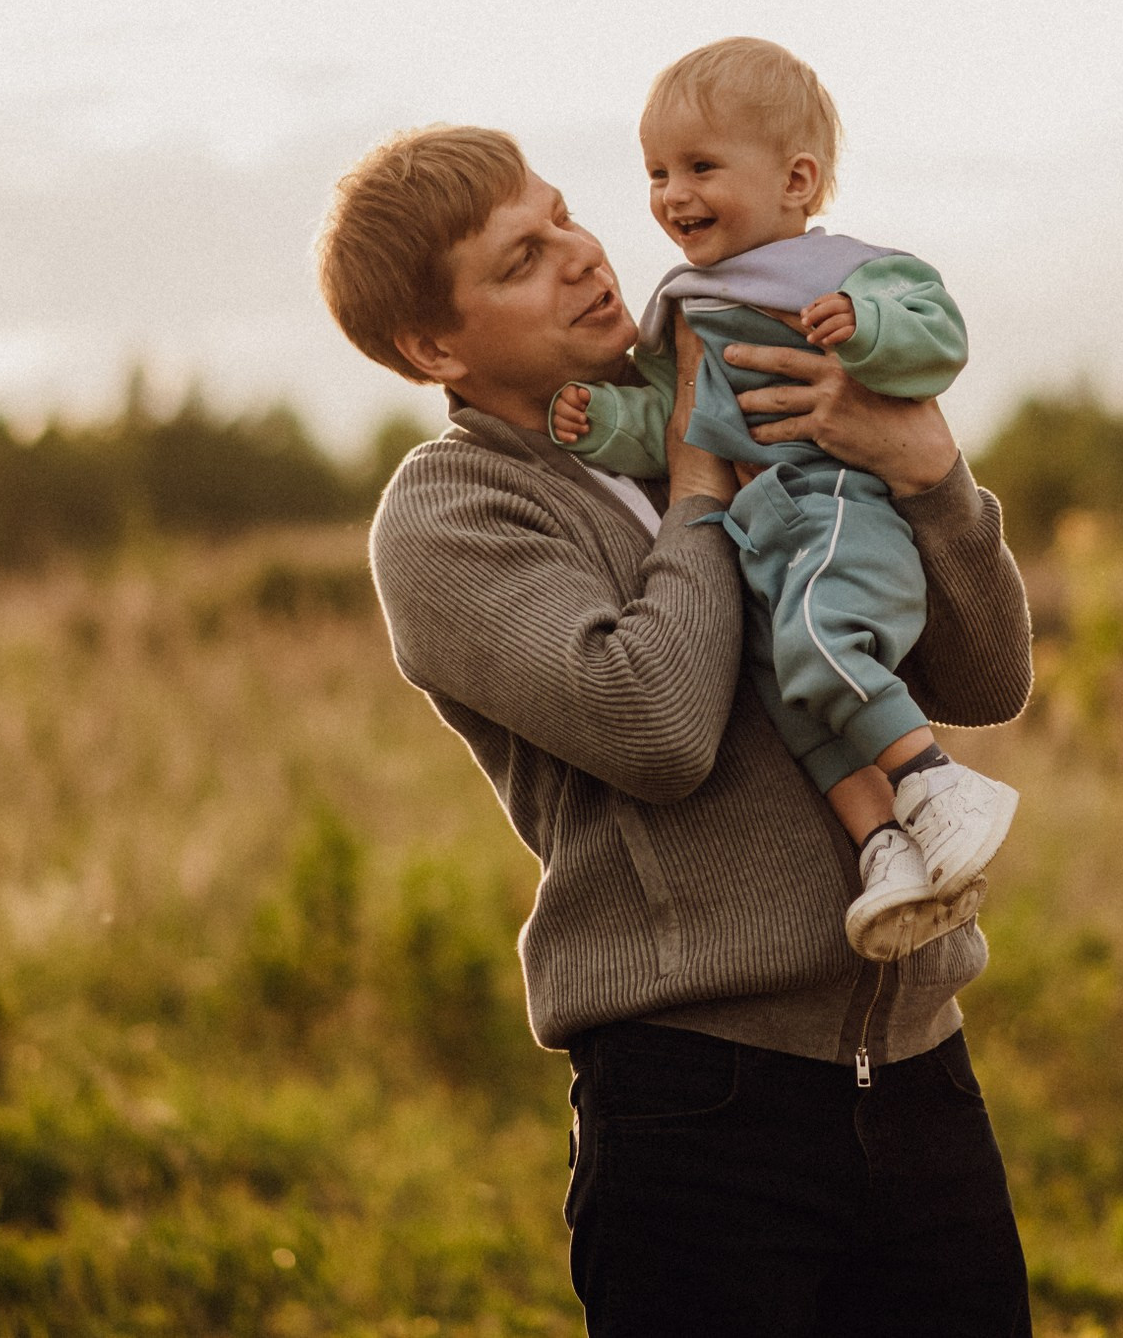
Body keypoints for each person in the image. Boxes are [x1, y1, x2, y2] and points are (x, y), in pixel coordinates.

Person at [315, 122, 1037, 1335]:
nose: (581, 254)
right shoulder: (452, 508)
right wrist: (700, 482)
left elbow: (984, 675)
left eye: (561, 216)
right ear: (434, 346)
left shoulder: (739, 390)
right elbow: (654, 723)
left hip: (922, 1075)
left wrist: (926, 471)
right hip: (700, 1111)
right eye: (520, 258)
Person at [550, 37, 1020, 961]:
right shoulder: (690, 304)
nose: (672, 195)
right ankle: (887, 847)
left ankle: (937, 780)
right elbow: (679, 423)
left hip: (840, 505)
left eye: (700, 167)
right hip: (761, 537)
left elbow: (938, 337)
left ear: (797, 179)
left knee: (819, 642)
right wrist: (604, 421)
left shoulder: (843, 272)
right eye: (656, 173)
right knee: (792, 697)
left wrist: (868, 328)